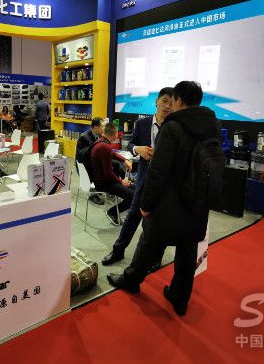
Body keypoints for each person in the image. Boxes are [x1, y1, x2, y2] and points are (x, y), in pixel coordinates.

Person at [107, 81, 223, 317]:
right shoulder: (212, 126)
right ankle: (180, 298)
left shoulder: (173, 128)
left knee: (148, 242)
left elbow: (158, 172)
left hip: (169, 202)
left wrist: (146, 204)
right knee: (187, 251)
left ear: (179, 100)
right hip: (197, 201)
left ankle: (131, 280)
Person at [102, 87, 174, 266]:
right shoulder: (142, 124)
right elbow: (131, 144)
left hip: (163, 184)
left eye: (172, 103)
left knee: (158, 223)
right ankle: (118, 251)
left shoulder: (174, 127)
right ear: (157, 101)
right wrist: (137, 149)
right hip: (143, 180)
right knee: (132, 218)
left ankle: (155, 258)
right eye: (165, 101)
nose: (167, 106)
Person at [89, 122, 133, 225]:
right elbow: (108, 173)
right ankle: (112, 212)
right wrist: (121, 182)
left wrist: (124, 160)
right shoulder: (105, 147)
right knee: (132, 196)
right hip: (104, 184)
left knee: (134, 188)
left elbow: (112, 153)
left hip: (101, 180)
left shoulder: (100, 142)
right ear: (115, 134)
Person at [76, 117, 106, 205]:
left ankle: (104, 188)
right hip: (85, 167)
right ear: (96, 128)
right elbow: (80, 156)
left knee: (114, 164)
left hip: (92, 163)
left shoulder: (99, 136)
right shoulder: (84, 138)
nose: (104, 128)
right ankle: (93, 194)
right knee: (104, 169)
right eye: (102, 126)